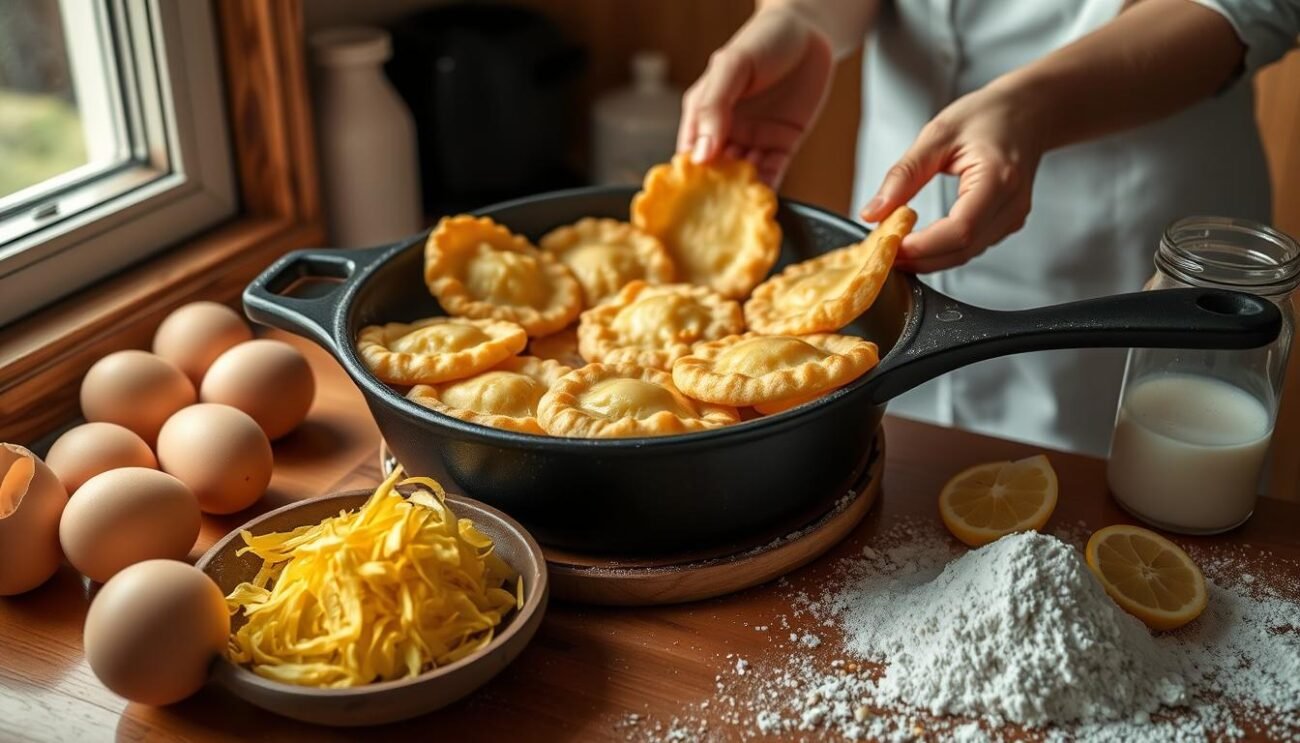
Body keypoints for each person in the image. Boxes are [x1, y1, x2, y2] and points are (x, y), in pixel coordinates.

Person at [678, 0, 1300, 456]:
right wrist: (801, 19)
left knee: (1116, 513)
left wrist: (1037, 106)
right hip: (894, 213)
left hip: (1118, 226)